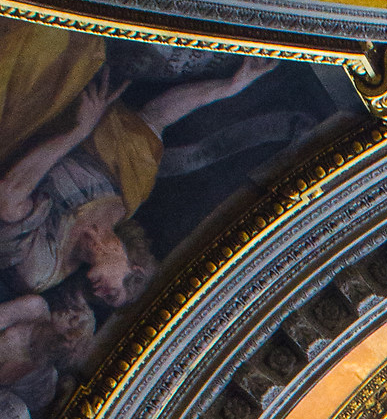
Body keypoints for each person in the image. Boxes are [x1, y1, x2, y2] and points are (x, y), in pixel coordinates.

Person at [0, 53, 273, 306]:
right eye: (112, 293)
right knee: (85, 49)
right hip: (66, 97)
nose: (99, 293)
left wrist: (78, 131)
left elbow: (8, 194)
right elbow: (157, 117)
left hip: (13, 129)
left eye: (106, 299)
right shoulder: (128, 196)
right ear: (134, 269)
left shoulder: (41, 270)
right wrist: (230, 86)